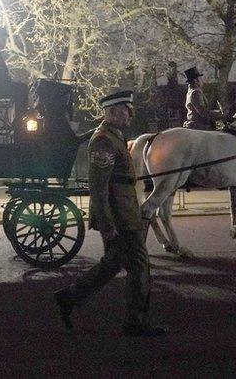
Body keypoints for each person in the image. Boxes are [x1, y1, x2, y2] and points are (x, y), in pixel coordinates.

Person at [53, 90, 165, 337]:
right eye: (126, 110)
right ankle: (135, 322)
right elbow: (99, 186)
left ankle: (70, 297)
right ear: (112, 112)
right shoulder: (103, 139)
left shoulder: (114, 136)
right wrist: (107, 224)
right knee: (139, 265)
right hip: (120, 217)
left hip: (125, 212)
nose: (130, 114)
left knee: (112, 264)